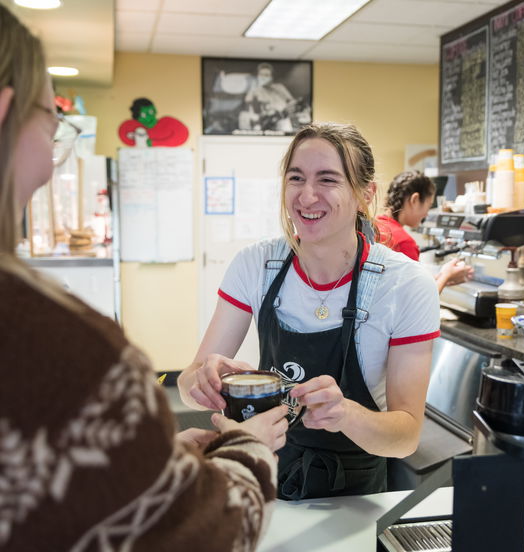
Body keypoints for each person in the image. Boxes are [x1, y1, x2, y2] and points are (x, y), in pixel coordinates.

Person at [0, 7, 287, 551]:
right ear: (6, 113)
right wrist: (248, 448)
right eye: (51, 123)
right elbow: (203, 531)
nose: (53, 160)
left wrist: (154, 461)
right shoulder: (58, 343)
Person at [179, 122, 441, 500]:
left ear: (365, 195)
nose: (306, 195)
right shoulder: (256, 265)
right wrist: (199, 384)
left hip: (355, 496)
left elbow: (405, 438)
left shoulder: (404, 284)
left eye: (328, 179)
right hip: (262, 472)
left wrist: (345, 414)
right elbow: (188, 385)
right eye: (296, 178)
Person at [375, 170, 474, 293]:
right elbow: (416, 302)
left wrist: (442, 277)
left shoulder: (375, 226)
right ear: (415, 200)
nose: (427, 214)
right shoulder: (403, 242)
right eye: (429, 205)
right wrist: (446, 276)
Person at [238, 62, 298, 133]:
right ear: (258, 76)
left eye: (266, 75)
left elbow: (293, 102)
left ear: (271, 77)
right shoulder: (255, 90)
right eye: (261, 75)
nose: (263, 77)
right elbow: (247, 104)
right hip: (265, 123)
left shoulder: (279, 87)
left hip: (282, 121)